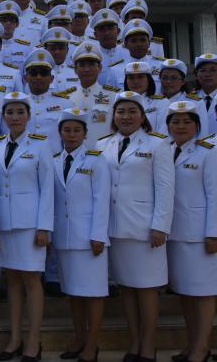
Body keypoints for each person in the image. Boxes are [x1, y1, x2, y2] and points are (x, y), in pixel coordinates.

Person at [97, 91, 174, 362]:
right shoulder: (103, 144)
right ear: (114, 115)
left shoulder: (157, 144)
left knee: (147, 289)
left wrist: (160, 226)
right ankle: (134, 342)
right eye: (121, 111)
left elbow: (165, 188)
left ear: (142, 117)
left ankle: (149, 346)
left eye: (132, 111)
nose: (126, 116)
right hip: (115, 228)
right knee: (127, 288)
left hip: (145, 230)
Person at [0, 92, 53, 362]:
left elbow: (47, 188)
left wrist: (44, 227)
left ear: (29, 116)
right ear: (3, 116)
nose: (14, 117)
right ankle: (15, 338)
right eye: (10, 112)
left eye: (20, 112)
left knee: (31, 280)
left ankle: (33, 341)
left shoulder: (40, 145)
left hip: (30, 225)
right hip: (4, 223)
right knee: (12, 280)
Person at [53, 108, 110, 362]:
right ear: (60, 132)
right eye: (67, 130)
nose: (72, 134)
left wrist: (98, 234)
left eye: (77, 130)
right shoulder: (55, 159)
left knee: (94, 293)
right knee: (73, 292)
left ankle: (92, 344)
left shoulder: (96, 160)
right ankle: (79, 337)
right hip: (65, 237)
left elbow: (101, 199)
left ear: (85, 133)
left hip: (89, 238)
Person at [165, 101, 217, 362]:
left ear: (197, 126)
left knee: (203, 292)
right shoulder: (164, 150)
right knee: (184, 291)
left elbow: (215, 195)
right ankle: (191, 343)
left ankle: (202, 347)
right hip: (173, 233)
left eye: (187, 122)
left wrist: (213, 233)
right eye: (175, 122)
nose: (181, 126)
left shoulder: (208, 152)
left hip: (199, 235)